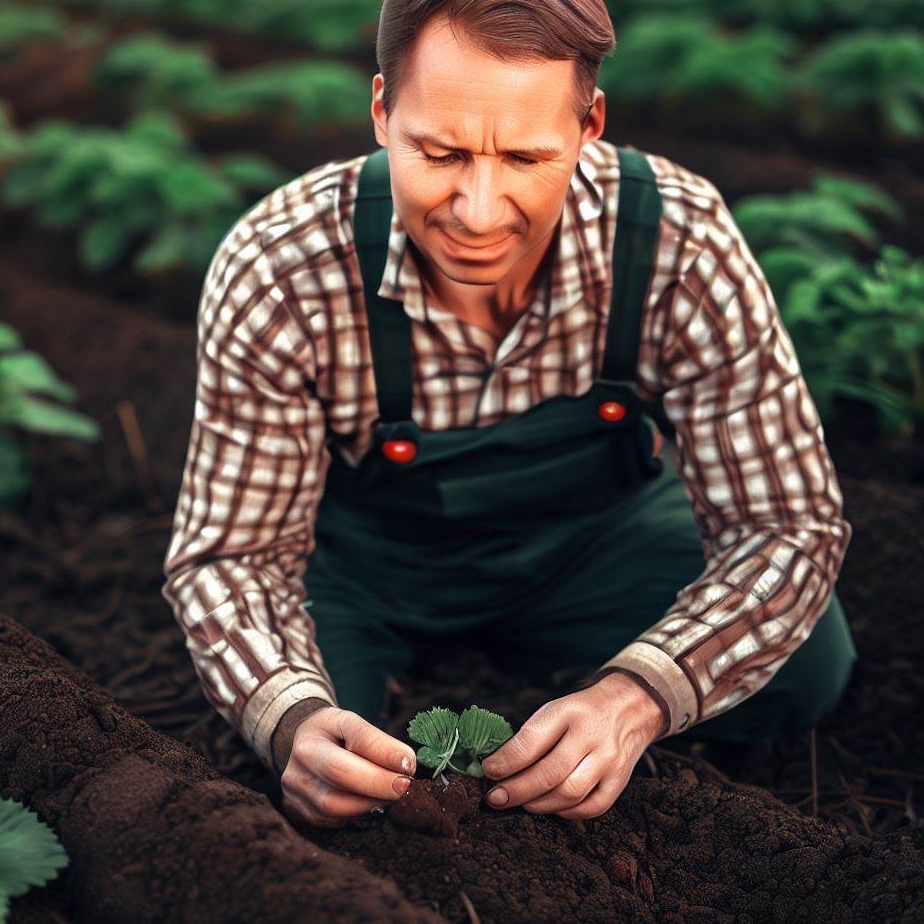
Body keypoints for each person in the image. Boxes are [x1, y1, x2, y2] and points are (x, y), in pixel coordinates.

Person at [161, 0, 857, 830]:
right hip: (365, 573)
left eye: (527, 156)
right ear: (382, 112)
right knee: (348, 778)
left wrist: (635, 696)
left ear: (589, 122)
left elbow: (786, 523)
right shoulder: (282, 266)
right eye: (440, 151)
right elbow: (231, 555)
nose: (480, 212)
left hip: (594, 547)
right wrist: (293, 721)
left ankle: (576, 655)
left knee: (809, 668)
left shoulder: (677, 241)